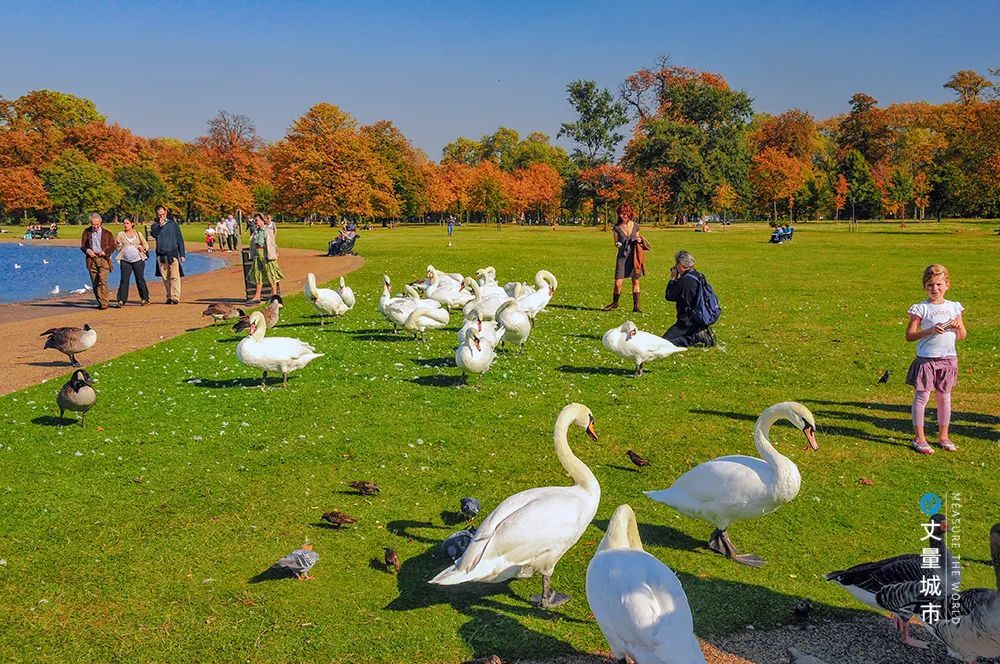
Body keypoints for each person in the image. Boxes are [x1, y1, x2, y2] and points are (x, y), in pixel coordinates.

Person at [905, 264, 967, 455]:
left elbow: (962, 335)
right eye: (930, 285)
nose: (935, 289)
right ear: (925, 286)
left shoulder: (954, 307)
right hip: (926, 360)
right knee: (922, 397)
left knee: (944, 398)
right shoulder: (921, 309)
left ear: (947, 285)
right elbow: (909, 335)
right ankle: (920, 438)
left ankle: (944, 436)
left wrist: (957, 326)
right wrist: (930, 330)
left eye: (939, 284)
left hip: (948, 360)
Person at [662, 250, 717, 347]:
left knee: (664, 343)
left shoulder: (685, 281)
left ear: (681, 265)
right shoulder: (698, 275)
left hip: (687, 322)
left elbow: (669, 296)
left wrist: (673, 279)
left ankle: (696, 337)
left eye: (676, 263)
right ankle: (700, 331)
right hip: (700, 316)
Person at [602, 202, 649, 313]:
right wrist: (617, 244)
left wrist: (639, 240)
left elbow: (638, 238)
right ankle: (615, 302)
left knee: (635, 281)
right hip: (622, 256)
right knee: (618, 282)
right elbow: (616, 241)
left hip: (634, 257)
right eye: (622, 213)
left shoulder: (635, 225)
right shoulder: (616, 228)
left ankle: (636, 306)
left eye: (626, 213)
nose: (624, 216)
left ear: (630, 213)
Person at [149, 204, 185, 304]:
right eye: (159, 215)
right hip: (161, 254)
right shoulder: (155, 225)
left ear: (166, 212)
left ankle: (175, 297)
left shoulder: (173, 225)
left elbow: (179, 239)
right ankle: (169, 296)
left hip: (172, 254)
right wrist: (160, 226)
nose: (161, 216)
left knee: (175, 276)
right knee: (165, 277)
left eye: (163, 214)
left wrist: (182, 254)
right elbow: (153, 235)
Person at [80, 212, 115, 310]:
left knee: (103, 280)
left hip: (104, 259)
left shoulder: (107, 233)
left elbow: (113, 246)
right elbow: (83, 246)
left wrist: (105, 252)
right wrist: (88, 251)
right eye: (93, 224)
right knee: (95, 282)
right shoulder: (86, 232)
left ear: (101, 223)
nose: (95, 226)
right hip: (92, 259)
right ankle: (100, 301)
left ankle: (105, 302)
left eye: (97, 224)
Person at [114, 216, 150, 306]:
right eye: (124, 223)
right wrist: (118, 245)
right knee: (124, 280)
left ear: (132, 224)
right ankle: (121, 300)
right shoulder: (120, 234)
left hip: (138, 260)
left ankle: (145, 298)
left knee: (140, 279)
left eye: (127, 223)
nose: (125, 225)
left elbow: (146, 245)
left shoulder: (138, 234)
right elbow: (117, 248)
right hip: (125, 260)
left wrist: (143, 248)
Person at [249, 213, 283, 303]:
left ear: (262, 220)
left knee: (271, 274)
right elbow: (253, 244)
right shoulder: (256, 231)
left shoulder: (268, 230)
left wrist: (273, 255)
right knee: (257, 274)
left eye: (256, 220)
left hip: (266, 255)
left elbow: (272, 243)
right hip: (257, 255)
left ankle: (274, 296)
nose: (255, 222)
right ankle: (257, 296)